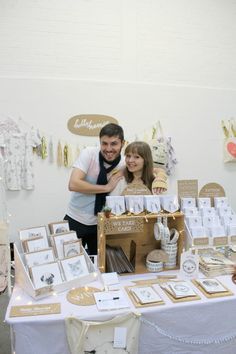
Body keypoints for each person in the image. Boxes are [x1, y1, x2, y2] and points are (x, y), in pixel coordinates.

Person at [64, 123, 125, 255]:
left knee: (100, 265)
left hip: (101, 223)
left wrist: (160, 175)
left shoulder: (124, 164)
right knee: (69, 261)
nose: (108, 149)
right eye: (104, 143)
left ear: (122, 143)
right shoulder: (89, 153)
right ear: (100, 142)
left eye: (114, 143)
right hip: (75, 218)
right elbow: (73, 184)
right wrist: (106, 187)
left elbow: (148, 165)